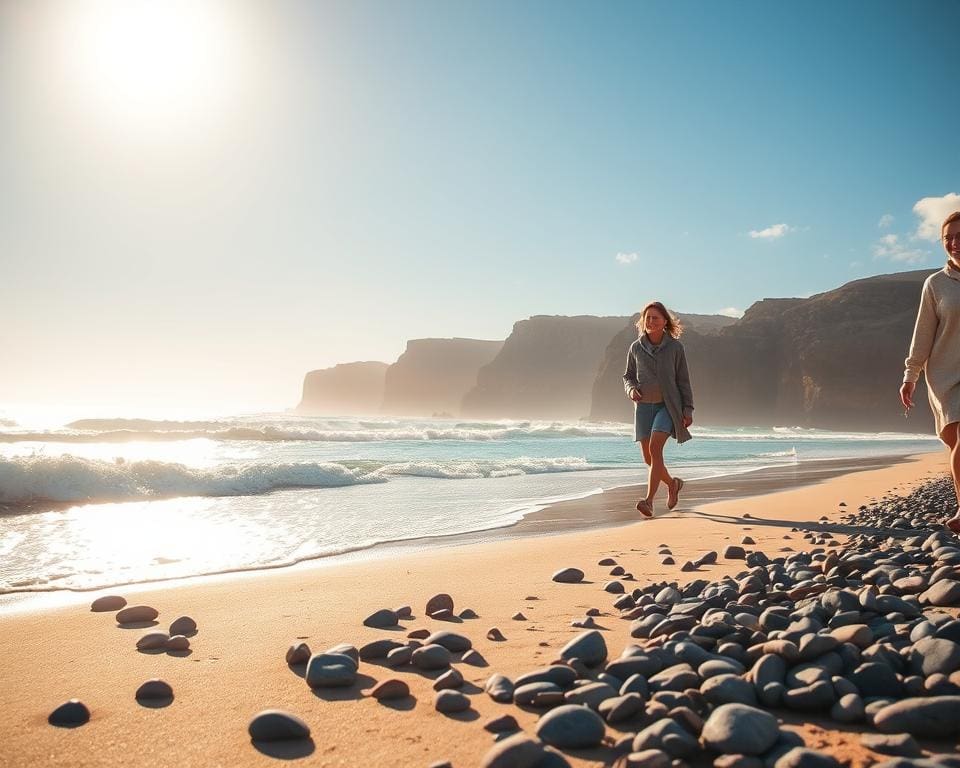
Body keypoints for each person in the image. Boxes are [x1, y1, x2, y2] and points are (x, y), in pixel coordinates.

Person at [901, 210, 960, 533]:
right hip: (945, 376)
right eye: (948, 237)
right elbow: (923, 333)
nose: (954, 243)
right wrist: (911, 375)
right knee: (957, 441)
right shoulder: (936, 284)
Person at [623, 301, 694, 517]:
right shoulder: (635, 347)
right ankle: (672, 484)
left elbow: (683, 381)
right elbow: (628, 376)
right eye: (648, 317)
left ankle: (649, 501)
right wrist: (631, 390)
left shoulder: (675, 348)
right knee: (648, 458)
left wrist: (688, 409)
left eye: (655, 317)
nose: (651, 321)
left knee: (655, 450)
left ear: (665, 322)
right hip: (643, 409)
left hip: (667, 407)